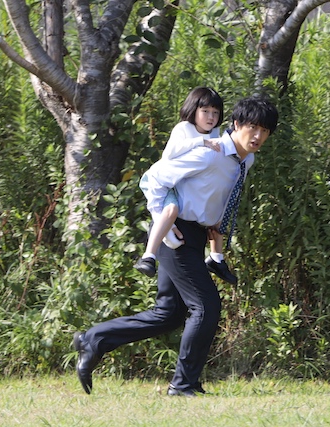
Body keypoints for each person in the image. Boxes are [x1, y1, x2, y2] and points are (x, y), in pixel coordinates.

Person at [73, 96, 279, 396]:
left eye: (265, 131)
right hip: (175, 234)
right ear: (236, 125)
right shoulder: (209, 154)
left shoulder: (246, 159)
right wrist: (164, 224)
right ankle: (183, 385)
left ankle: (92, 340)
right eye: (252, 128)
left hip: (196, 235)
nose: (258, 136)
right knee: (206, 306)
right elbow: (153, 178)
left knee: (168, 314)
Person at [135, 87, 237, 285]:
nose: (211, 117)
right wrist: (201, 142)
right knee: (171, 209)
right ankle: (148, 256)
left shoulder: (214, 133)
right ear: (193, 110)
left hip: (181, 183)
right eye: (205, 111)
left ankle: (217, 258)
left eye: (215, 113)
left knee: (218, 211)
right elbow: (170, 154)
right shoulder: (183, 129)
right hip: (164, 182)